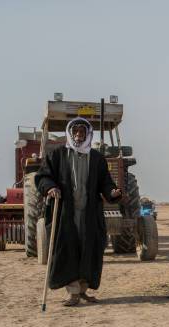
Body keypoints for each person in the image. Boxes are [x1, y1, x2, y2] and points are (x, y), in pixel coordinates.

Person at [35, 117, 122, 306]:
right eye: (75, 132)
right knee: (68, 249)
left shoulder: (97, 158)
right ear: (70, 133)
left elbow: (105, 183)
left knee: (88, 249)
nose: (78, 135)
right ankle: (73, 292)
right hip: (66, 213)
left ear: (88, 134)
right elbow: (43, 177)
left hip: (89, 214)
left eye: (82, 132)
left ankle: (83, 290)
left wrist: (113, 192)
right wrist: (50, 187)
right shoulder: (57, 155)